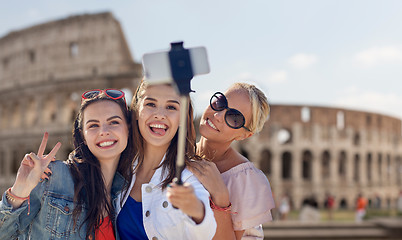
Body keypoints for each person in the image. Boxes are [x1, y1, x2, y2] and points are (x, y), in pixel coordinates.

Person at [0, 89, 134, 239]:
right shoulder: (52, 178)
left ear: (128, 128)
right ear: (82, 134)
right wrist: (19, 193)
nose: (103, 131)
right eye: (93, 125)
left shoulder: (129, 193)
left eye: (114, 122)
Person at [116, 81, 216, 240]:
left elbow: (205, 232)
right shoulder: (119, 167)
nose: (160, 114)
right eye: (151, 104)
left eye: (171, 107)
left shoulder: (189, 176)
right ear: (136, 110)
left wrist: (197, 211)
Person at [189, 82, 275, 239]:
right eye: (220, 102)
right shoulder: (176, 154)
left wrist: (220, 198)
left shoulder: (247, 180)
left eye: (234, 117)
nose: (218, 115)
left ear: (244, 135)